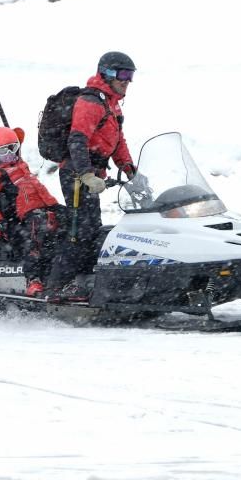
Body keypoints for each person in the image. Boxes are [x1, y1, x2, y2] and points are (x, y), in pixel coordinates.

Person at [46, 51, 139, 298]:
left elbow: (118, 141)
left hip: (93, 176)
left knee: (93, 229)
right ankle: (55, 287)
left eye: (130, 75)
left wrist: (131, 171)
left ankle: (83, 281)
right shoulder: (91, 101)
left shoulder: (111, 103)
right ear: (107, 73)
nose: (127, 80)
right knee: (80, 232)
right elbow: (78, 139)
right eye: (123, 74)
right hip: (77, 176)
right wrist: (86, 174)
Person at [0, 127, 62, 297]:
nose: (9, 154)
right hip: (15, 223)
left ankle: (64, 273)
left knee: (66, 226)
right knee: (34, 233)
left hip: (38, 215)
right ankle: (33, 279)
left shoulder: (23, 168)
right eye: (3, 151)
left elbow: (39, 191)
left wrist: (55, 207)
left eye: (12, 148)